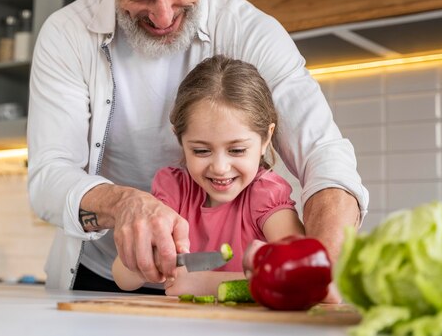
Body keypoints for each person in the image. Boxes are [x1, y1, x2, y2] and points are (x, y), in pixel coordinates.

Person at [27, 0, 369, 299]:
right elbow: (49, 176)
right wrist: (125, 204)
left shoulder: (251, 31)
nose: (162, 16)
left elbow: (323, 153)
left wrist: (319, 270)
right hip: (97, 275)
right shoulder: (66, 35)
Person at [112, 56, 305, 295]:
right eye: (201, 151)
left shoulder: (266, 195)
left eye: (237, 150)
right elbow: (122, 277)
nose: (220, 167)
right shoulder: (174, 189)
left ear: (266, 138)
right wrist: (151, 257)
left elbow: (299, 276)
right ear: (180, 140)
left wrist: (204, 283)